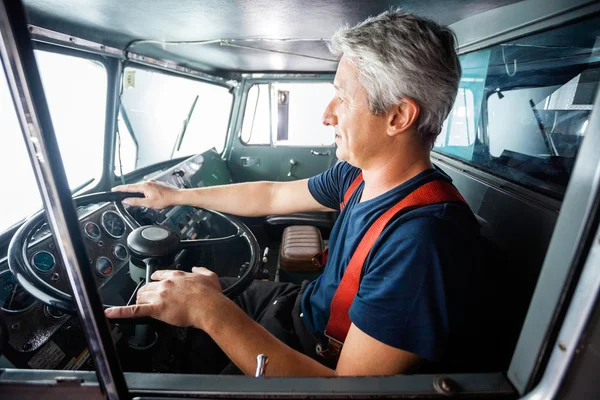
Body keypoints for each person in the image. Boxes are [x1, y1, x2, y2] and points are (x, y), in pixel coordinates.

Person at [106, 8, 481, 376]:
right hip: (300, 305)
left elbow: (352, 391)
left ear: (399, 117)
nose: (327, 114)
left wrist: (210, 310)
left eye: (343, 98)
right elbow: (270, 196)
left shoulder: (423, 240)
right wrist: (174, 196)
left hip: (317, 353)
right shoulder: (356, 174)